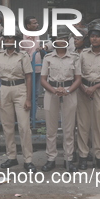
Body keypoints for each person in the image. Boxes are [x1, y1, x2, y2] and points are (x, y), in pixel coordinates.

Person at [40, 26, 82, 172]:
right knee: (51, 129)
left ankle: (68, 159)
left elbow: (78, 79)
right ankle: (51, 158)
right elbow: (43, 79)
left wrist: (68, 90)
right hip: (51, 93)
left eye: (64, 38)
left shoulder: (74, 57)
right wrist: (54, 90)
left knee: (69, 128)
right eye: (59, 38)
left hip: (69, 93)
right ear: (54, 41)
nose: (61, 41)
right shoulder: (48, 57)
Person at [76, 19, 100, 171]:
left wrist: (95, 88)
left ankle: (99, 157)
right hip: (83, 90)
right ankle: (83, 157)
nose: (94, 38)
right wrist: (84, 88)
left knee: (99, 126)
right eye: (92, 36)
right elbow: (77, 75)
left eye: (98, 36)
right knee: (83, 125)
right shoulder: (83, 54)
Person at [0, 34, 35, 171]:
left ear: (16, 40)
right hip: (4, 89)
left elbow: (29, 77)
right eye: (5, 38)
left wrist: (28, 98)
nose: (7, 41)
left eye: (10, 38)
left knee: (24, 126)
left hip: (20, 89)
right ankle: (11, 157)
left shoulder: (23, 56)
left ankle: (28, 159)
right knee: (7, 126)